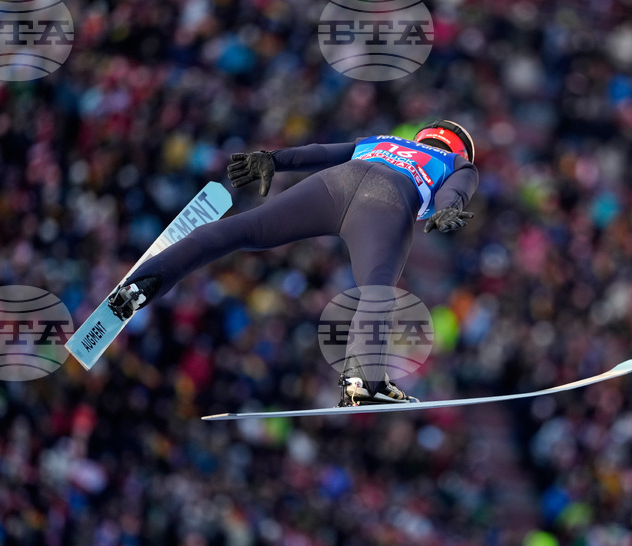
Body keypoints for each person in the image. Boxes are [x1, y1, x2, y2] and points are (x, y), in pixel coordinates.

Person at [109, 120, 479, 406]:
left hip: (334, 184)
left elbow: (322, 152)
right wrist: (449, 206)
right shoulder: (456, 162)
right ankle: (363, 380)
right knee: (376, 289)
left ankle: (142, 282)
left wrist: (273, 159)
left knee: (242, 229)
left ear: (424, 135)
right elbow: (458, 188)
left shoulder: (386, 141)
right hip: (389, 201)